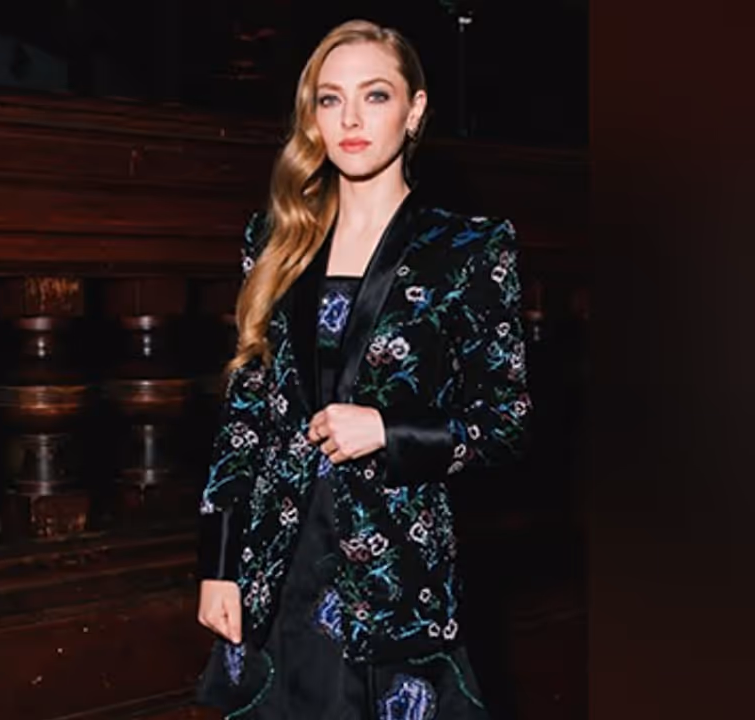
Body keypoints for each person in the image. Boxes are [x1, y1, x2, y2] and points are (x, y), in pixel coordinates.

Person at [193, 19, 530, 720]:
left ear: (415, 110)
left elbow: (507, 423)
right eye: (330, 99)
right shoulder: (275, 241)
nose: (350, 119)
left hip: (395, 577)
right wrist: (218, 565)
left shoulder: (468, 248)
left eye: (375, 96)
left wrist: (389, 430)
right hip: (277, 569)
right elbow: (245, 418)